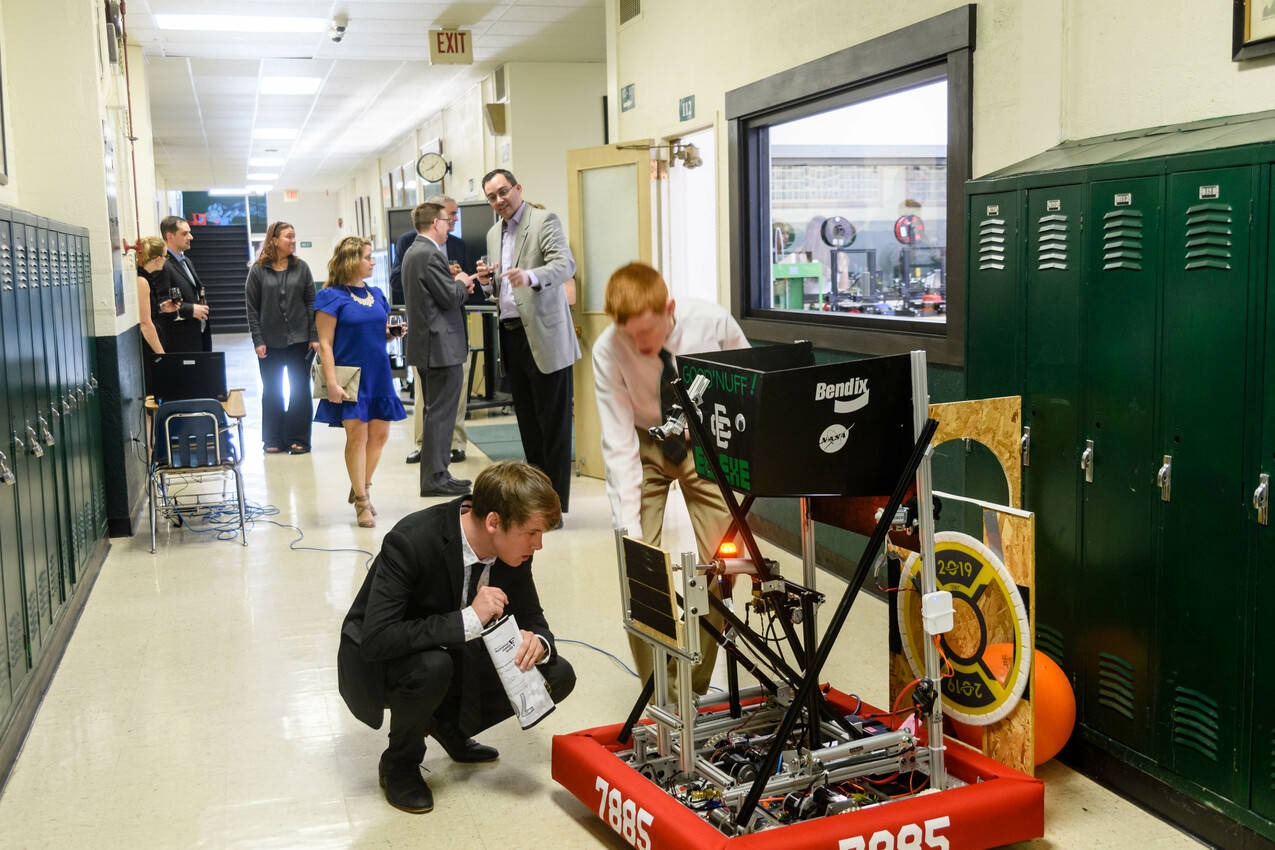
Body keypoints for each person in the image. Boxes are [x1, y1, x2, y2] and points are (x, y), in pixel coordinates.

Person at [337, 461, 576, 814]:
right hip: (387, 662)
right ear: (494, 522)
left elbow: (533, 616)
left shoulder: (514, 551)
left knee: (556, 672)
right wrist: (467, 618)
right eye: (532, 533)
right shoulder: (413, 539)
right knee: (434, 665)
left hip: (453, 656)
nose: (538, 545)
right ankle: (399, 764)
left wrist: (539, 643)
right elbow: (377, 638)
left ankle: (447, 725)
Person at [593, 261, 749, 698]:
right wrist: (628, 530)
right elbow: (618, 440)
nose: (643, 346)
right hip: (645, 445)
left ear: (671, 308)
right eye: (632, 337)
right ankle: (661, 690)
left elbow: (748, 388)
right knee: (638, 562)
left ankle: (693, 683)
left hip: (704, 439)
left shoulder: (712, 322)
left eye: (651, 333)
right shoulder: (608, 350)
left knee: (723, 561)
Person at [475, 170, 578, 518]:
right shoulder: (493, 233)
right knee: (529, 426)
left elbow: (565, 266)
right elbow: (500, 291)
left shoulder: (543, 220)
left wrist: (530, 276)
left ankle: (555, 507)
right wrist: (489, 283)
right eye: (492, 197)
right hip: (511, 336)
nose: (499, 200)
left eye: (503, 192)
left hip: (545, 337)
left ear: (518, 188)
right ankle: (537, 504)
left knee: (554, 427)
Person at [314, 237, 407, 527]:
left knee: (380, 436)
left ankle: (361, 487)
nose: (373, 261)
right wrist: (331, 384)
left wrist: (392, 334)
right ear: (353, 260)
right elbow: (325, 344)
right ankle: (363, 502)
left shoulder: (377, 294)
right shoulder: (330, 297)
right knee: (358, 436)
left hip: (379, 374)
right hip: (350, 376)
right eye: (368, 256)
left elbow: (377, 333)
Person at [402, 202, 473, 497]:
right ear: (434, 223)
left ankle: (439, 472)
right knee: (441, 415)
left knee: (436, 414)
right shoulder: (429, 254)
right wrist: (461, 282)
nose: (450, 226)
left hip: (429, 346)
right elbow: (447, 297)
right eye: (447, 220)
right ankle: (435, 478)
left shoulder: (414, 252)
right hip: (440, 347)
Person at [245, 221, 319, 455]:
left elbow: (311, 302)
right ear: (274, 240)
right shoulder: (257, 270)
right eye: (288, 237)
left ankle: (299, 439)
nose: (293, 241)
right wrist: (258, 340)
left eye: (294, 236)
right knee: (272, 390)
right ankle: (273, 438)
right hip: (269, 342)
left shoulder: (302, 268)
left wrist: (314, 335)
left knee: (299, 390)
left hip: (300, 340)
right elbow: (252, 308)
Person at [156, 215, 212, 353]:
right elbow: (161, 304)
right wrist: (190, 310)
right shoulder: (163, 264)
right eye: (185, 233)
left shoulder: (186, 261)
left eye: (189, 232)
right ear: (170, 236)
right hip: (179, 340)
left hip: (197, 334)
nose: (191, 237)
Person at [135, 236, 179, 395]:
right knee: (151, 395)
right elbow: (145, 323)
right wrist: (161, 354)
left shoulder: (146, 278)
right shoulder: (141, 281)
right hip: (147, 348)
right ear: (158, 258)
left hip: (149, 342)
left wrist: (161, 308)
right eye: (166, 256)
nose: (166, 261)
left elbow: (147, 311)